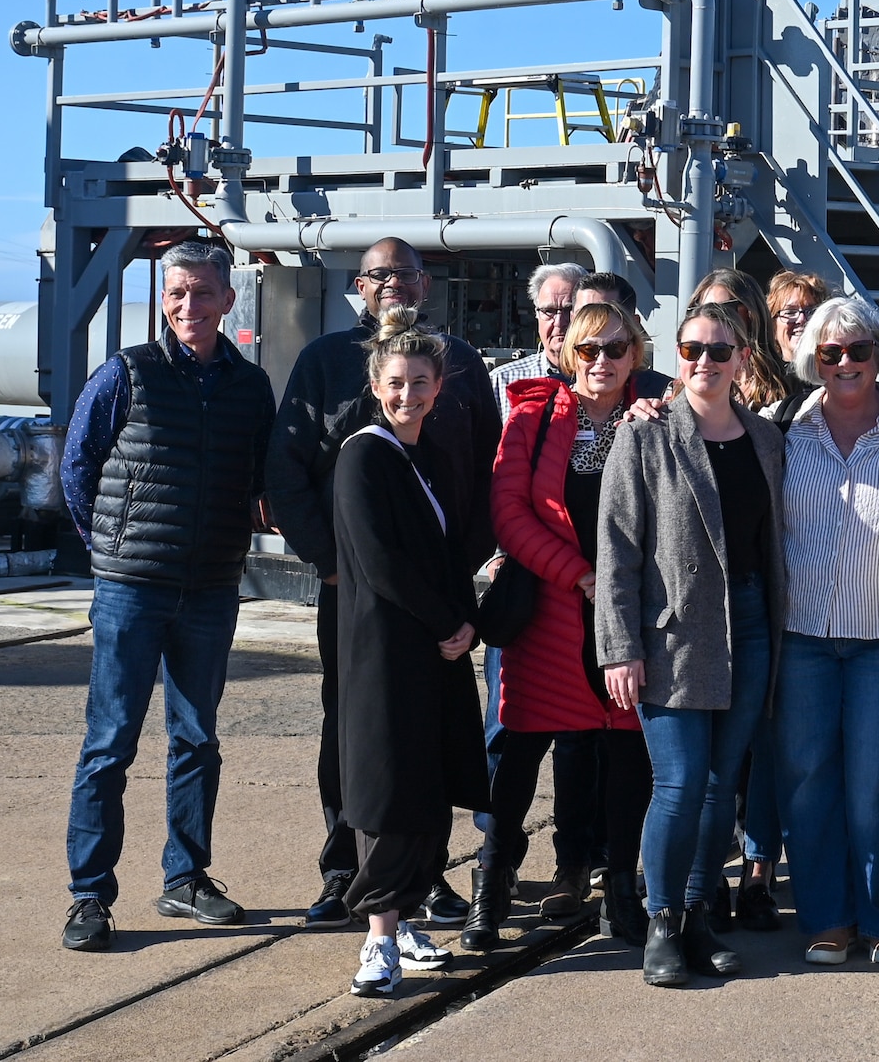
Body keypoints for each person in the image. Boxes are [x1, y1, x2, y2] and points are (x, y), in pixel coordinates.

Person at [265, 236, 500, 931]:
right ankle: (348, 869)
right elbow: (285, 469)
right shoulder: (323, 361)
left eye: (405, 272)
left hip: (439, 591)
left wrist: (458, 572)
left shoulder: (457, 364)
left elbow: (487, 471)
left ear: (424, 284)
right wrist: (331, 561)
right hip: (358, 592)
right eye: (377, 273)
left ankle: (422, 874)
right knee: (356, 728)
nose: (392, 282)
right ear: (359, 287)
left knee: (429, 727)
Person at [58, 239, 277, 953]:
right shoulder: (128, 372)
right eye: (178, 292)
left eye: (203, 292)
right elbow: (79, 463)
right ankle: (89, 894)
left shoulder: (250, 387)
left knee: (197, 739)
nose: (190, 305)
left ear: (228, 299)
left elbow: (260, 478)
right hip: (131, 588)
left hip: (212, 586)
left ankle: (186, 877)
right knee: (109, 743)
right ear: (164, 297)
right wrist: (110, 547)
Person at [597, 302, 788, 988]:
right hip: (675, 632)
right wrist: (619, 646)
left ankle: (700, 912)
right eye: (691, 349)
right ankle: (662, 920)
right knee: (678, 784)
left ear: (742, 359)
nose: (703, 362)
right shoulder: (645, 435)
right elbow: (616, 549)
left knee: (718, 788)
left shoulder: (766, 438)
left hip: (753, 625)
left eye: (717, 350)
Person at [463, 303, 657, 954]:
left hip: (626, 617)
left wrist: (617, 588)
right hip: (548, 613)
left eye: (616, 348)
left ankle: (621, 893)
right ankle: (493, 882)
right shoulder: (534, 415)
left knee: (629, 755)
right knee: (518, 754)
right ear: (569, 353)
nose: (602, 361)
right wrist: (577, 574)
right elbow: (509, 513)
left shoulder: (651, 419)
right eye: (589, 349)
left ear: (636, 352)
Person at [332, 308, 488, 998]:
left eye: (420, 382)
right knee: (388, 790)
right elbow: (381, 561)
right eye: (396, 382)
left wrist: (468, 623)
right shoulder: (362, 454)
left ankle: (412, 914)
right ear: (375, 382)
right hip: (387, 650)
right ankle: (378, 938)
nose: (407, 394)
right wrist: (446, 619)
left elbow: (452, 549)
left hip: (436, 650)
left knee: (429, 784)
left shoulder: (430, 453)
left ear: (439, 383)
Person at [775, 296, 879, 967]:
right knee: (808, 778)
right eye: (830, 352)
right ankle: (826, 917)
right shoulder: (785, 430)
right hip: (803, 635)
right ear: (814, 357)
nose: (844, 363)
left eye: (858, 351)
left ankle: (877, 914)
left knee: (875, 783)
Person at [687, 268, 789, 930]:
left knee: (764, 749)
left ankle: (759, 872)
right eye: (706, 314)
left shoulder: (788, 400)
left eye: (731, 314)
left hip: (764, 597)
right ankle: (701, 885)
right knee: (711, 761)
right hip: (699, 608)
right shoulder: (681, 399)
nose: (717, 328)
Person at [490, 263, 586, 420]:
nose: (559, 322)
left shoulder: (608, 380)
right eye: (549, 311)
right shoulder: (502, 382)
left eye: (569, 310)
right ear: (536, 313)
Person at [691, 267, 790, 414]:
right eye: (706, 310)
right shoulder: (685, 384)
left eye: (725, 309)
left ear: (752, 314)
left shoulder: (786, 384)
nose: (713, 319)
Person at [766, 270, 833, 366]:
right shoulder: (764, 378)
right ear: (773, 325)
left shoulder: (838, 377)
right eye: (790, 312)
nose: (802, 319)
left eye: (811, 311)